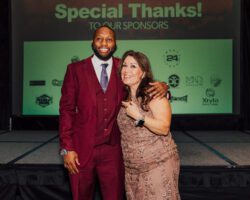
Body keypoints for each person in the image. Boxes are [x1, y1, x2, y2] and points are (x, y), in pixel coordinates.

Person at [59, 25, 168, 200]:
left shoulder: (123, 68)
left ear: (115, 44)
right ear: (92, 42)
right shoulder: (75, 70)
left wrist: (164, 86)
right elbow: (66, 111)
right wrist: (67, 149)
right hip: (80, 150)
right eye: (99, 39)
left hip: (113, 151)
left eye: (109, 39)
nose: (104, 43)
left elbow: (144, 84)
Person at [117, 50, 180, 200]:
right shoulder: (123, 97)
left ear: (143, 73)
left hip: (158, 165)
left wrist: (139, 117)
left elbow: (164, 128)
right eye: (125, 65)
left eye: (133, 66)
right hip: (132, 170)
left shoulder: (153, 94)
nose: (126, 70)